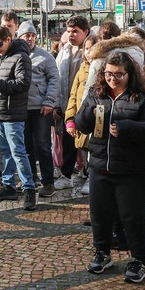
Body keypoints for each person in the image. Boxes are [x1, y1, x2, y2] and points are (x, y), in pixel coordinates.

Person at [75, 50, 145, 282]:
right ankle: (102, 252)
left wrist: (126, 127)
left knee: (132, 216)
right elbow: (81, 123)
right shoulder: (97, 92)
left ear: (129, 74)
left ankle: (138, 260)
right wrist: (88, 114)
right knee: (100, 214)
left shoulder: (143, 96)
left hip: (133, 169)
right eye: (109, 74)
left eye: (119, 75)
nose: (113, 79)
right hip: (101, 165)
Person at [0, 25, 37, 210]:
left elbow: (23, 83)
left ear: (8, 39)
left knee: (18, 152)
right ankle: (8, 185)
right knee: (5, 152)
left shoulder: (21, 57)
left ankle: (29, 189)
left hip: (13, 114)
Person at [17, 21, 60, 196]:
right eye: (26, 35)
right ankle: (30, 179)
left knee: (42, 145)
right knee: (25, 146)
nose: (30, 38)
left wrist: (49, 101)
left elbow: (54, 79)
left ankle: (48, 182)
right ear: (19, 37)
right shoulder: (15, 55)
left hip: (41, 108)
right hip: (21, 108)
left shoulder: (45, 56)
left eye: (32, 35)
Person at [55, 15, 91, 189]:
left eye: (75, 31)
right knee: (68, 142)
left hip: (85, 106)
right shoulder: (64, 50)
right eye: (68, 31)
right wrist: (56, 104)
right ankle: (66, 175)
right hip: (66, 105)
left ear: (85, 32)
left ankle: (89, 174)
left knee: (87, 143)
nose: (71, 35)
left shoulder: (90, 50)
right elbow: (57, 78)